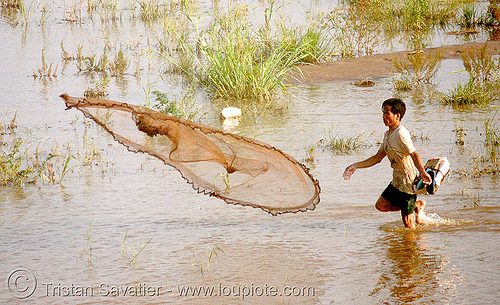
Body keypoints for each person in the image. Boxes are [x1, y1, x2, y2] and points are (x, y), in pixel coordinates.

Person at [343, 98, 432, 230]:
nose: (384, 117)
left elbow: (414, 154)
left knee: (408, 225)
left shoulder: (401, 133)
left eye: (387, 113)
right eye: (383, 113)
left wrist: (422, 172)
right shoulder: (388, 134)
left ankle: (412, 249)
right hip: (397, 180)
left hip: (407, 183)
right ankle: (416, 206)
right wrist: (355, 166)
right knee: (381, 205)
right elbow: (378, 157)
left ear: (397, 116)